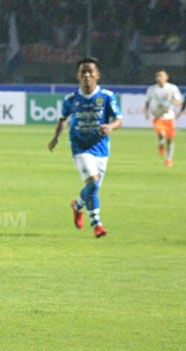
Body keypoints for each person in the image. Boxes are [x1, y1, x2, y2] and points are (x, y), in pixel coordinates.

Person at [49, 57, 122, 238]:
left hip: (101, 148)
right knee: (92, 182)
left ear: (97, 75)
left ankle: (77, 206)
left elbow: (119, 120)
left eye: (90, 72)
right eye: (83, 72)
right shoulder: (71, 99)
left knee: (93, 188)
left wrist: (110, 127)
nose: (87, 75)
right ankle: (96, 224)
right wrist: (55, 138)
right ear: (78, 76)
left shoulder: (107, 96)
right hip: (80, 147)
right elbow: (62, 119)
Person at [145, 69, 183, 167]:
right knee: (161, 133)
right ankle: (161, 142)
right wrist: (146, 112)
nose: (159, 78)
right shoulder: (152, 89)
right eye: (157, 76)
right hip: (158, 116)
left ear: (166, 77)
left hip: (169, 117)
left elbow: (179, 100)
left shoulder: (172, 88)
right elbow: (147, 101)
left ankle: (168, 159)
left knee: (170, 140)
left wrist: (174, 102)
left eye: (161, 76)